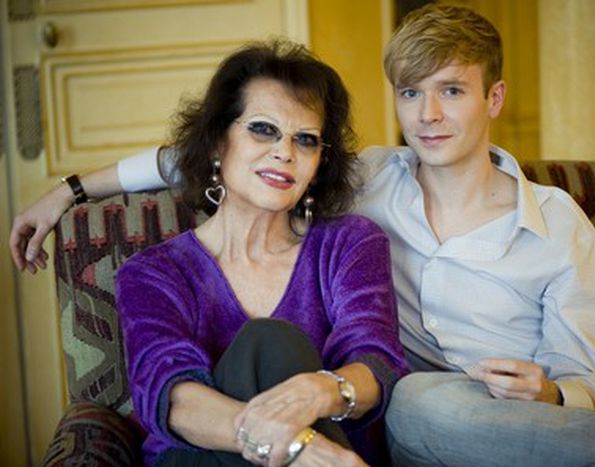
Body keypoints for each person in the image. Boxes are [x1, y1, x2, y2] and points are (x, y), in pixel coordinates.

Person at [10, 4, 595, 467]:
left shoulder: (552, 224)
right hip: (371, 429)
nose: (428, 115)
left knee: (409, 394)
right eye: (410, 93)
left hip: (497, 422)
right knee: (349, 374)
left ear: (493, 98)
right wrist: (71, 189)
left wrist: (551, 393)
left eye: (452, 91)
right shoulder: (372, 179)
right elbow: (193, 156)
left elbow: (582, 376)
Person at [97, 40, 409, 467]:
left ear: (319, 163)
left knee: (271, 343)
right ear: (215, 142)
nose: (285, 152)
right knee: (270, 340)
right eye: (263, 129)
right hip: (205, 458)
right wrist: (297, 446)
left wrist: (320, 391)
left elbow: (377, 363)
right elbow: (170, 395)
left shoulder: (349, 244)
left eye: (306, 140)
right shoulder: (154, 272)